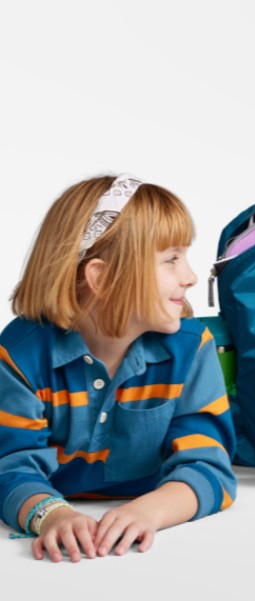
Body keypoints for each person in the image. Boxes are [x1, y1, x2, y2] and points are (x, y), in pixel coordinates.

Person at [0, 173, 237, 562]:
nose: (191, 277)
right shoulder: (21, 356)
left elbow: (209, 465)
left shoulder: (192, 348)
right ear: (102, 277)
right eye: (171, 259)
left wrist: (150, 511)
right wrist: (51, 515)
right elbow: (10, 467)